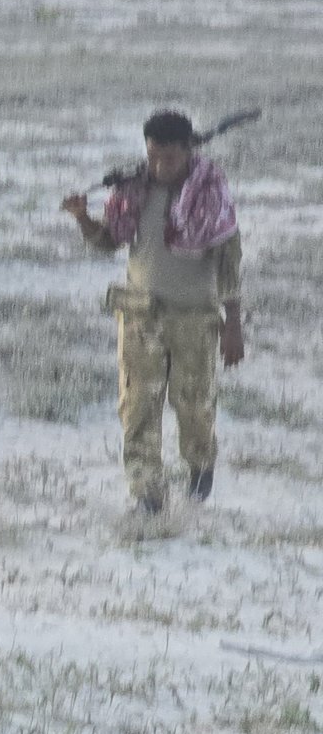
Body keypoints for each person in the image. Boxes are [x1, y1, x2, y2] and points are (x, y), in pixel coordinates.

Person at [61, 111, 244, 513]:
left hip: (194, 317)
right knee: (137, 404)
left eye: (170, 159)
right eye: (153, 157)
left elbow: (228, 260)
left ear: (187, 150)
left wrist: (233, 324)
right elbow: (110, 241)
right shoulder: (132, 190)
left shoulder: (209, 194)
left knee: (193, 402)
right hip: (140, 313)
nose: (160, 167)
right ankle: (147, 491)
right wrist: (83, 219)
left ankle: (199, 467)